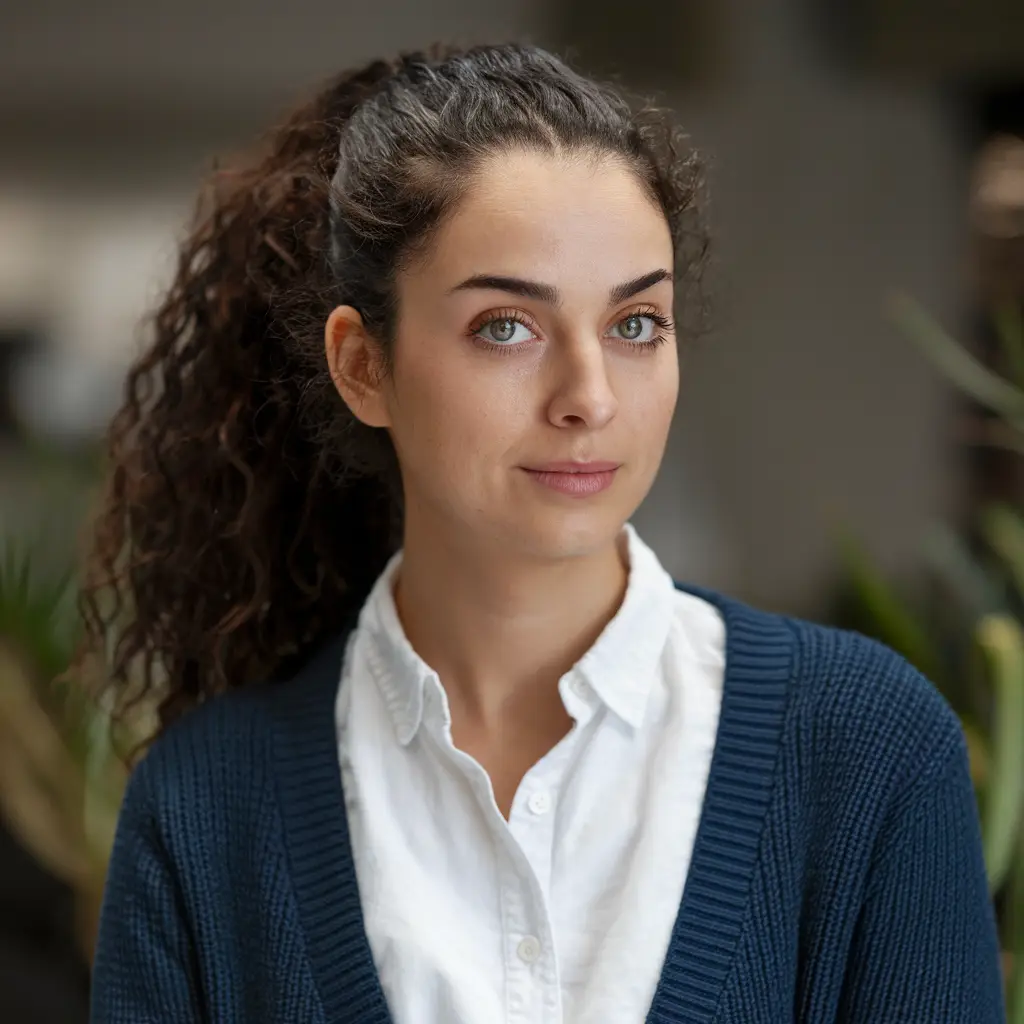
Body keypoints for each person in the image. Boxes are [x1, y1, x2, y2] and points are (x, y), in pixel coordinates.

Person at [81, 42, 1004, 1023]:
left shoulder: (867, 751)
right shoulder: (205, 808)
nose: (589, 397)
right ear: (362, 366)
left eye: (635, 323)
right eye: (506, 327)